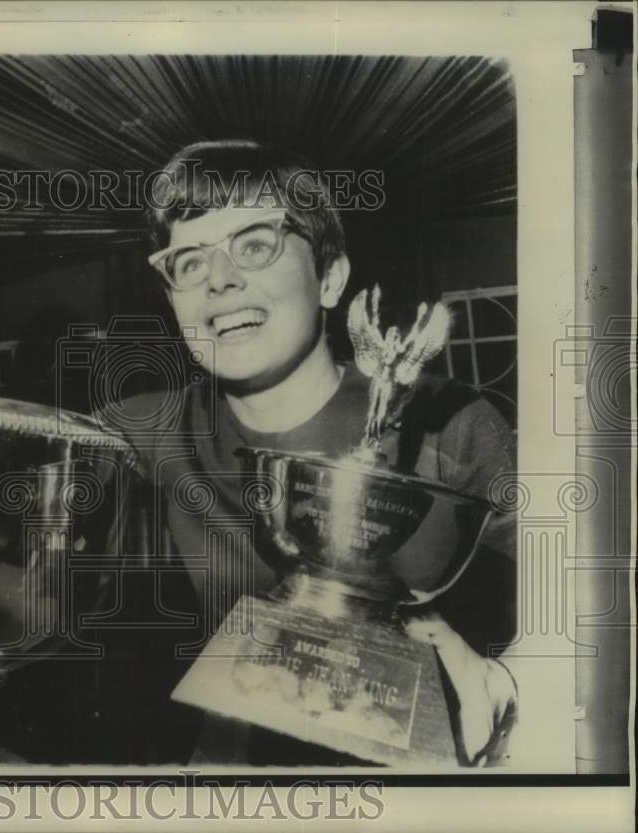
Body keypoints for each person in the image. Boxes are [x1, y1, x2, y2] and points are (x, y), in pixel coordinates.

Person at [102, 140, 518, 766]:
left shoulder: (449, 427)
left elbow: (583, 615)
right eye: (188, 262)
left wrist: (507, 685)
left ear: (330, 279)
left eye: (254, 244)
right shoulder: (137, 435)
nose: (219, 279)